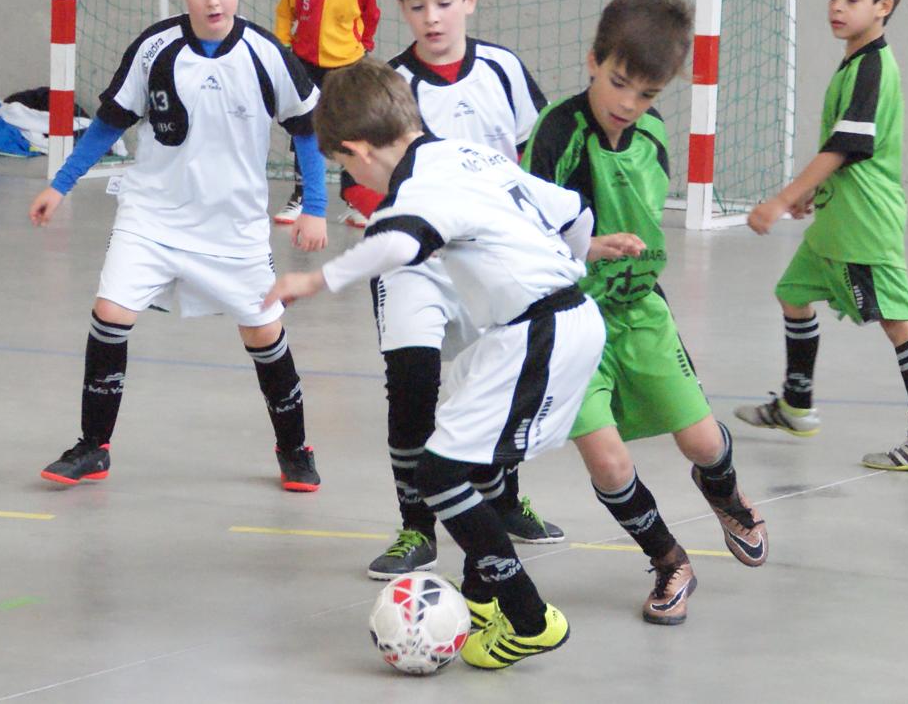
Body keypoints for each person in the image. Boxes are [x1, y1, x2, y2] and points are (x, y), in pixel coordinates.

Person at [265, 58, 638, 668]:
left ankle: (529, 618)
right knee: (470, 458)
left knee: (438, 475)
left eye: (345, 165)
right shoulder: (472, 156)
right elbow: (574, 211)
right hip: (550, 321)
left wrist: (316, 280)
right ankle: (485, 596)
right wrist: (568, 258)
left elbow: (401, 243)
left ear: (357, 151)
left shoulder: (419, 190)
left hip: (539, 331)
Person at [29, 0, 328, 492]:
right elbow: (108, 125)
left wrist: (314, 206)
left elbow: (308, 132)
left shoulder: (266, 55)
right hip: (153, 216)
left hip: (234, 228)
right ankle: (94, 446)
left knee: (264, 333)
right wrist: (60, 184)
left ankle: (295, 448)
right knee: (109, 316)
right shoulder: (154, 48)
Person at [522, 0, 768, 625]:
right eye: (619, 83)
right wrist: (589, 244)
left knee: (703, 440)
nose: (629, 105)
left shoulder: (652, 136)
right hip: (571, 317)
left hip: (640, 313)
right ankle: (667, 561)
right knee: (607, 458)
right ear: (592, 61)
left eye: (648, 94)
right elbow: (522, 232)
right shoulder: (556, 133)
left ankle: (727, 495)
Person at [362, 0, 563, 580]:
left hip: (492, 264)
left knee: (492, 386)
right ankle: (415, 527)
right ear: (401, 8)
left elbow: (540, 154)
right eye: (417, 6)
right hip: (413, 263)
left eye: (445, 2)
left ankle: (502, 499)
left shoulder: (502, 70)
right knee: (413, 385)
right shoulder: (389, 84)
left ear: (470, 0)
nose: (433, 18)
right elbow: (364, 175)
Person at [737, 0, 908, 472]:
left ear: (883, 6)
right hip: (836, 222)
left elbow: (844, 147)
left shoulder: (873, 68)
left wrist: (783, 198)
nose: (836, 6)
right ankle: (796, 405)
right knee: (792, 293)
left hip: (863, 225)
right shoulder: (855, 62)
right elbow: (847, 147)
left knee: (899, 322)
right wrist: (814, 192)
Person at [273, 0, 380, 229]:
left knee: (350, 131)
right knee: (304, 129)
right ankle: (301, 197)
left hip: (346, 66)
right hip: (304, 65)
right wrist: (284, 48)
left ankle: (355, 198)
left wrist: (364, 46)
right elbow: (284, 13)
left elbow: (371, 16)